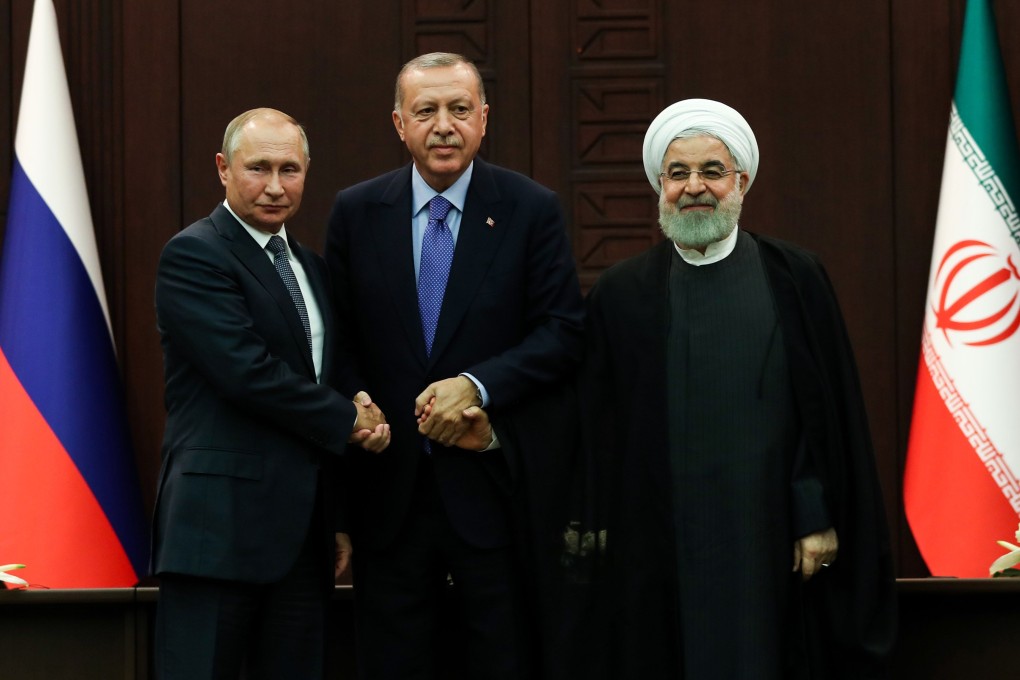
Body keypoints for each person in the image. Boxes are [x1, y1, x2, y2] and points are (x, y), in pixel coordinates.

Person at [577, 99, 897, 679]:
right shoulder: (621, 294)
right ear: (659, 186)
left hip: (768, 534)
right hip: (660, 540)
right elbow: (595, 425)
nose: (694, 187)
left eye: (712, 171)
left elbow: (827, 416)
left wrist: (815, 513)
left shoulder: (796, 277)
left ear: (741, 182)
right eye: (678, 174)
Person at [325, 53, 584, 679]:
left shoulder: (530, 208)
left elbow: (563, 332)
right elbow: (337, 338)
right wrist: (356, 399)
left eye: (459, 109)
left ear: (484, 119)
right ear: (398, 123)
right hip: (389, 500)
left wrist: (477, 385)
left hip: (492, 494)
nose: (444, 125)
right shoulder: (356, 212)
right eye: (426, 111)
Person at [151, 107, 390, 680]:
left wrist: (333, 513)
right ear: (223, 169)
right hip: (217, 531)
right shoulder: (195, 254)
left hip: (302, 539)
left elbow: (320, 377)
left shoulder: (312, 266)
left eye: (291, 169)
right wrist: (348, 419)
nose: (276, 186)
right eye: (259, 168)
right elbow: (245, 372)